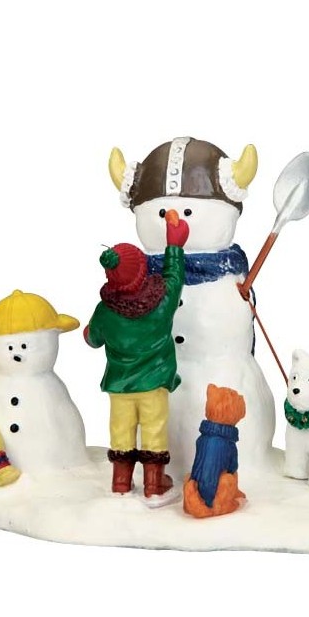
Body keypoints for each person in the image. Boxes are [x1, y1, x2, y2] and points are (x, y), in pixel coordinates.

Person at [85, 210, 189, 497]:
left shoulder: (104, 310)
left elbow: (92, 339)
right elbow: (175, 276)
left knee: (121, 430)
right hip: (154, 383)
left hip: (120, 385)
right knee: (154, 429)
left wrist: (90, 331)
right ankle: (154, 483)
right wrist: (174, 246)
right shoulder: (162, 299)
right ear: (143, 271)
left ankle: (120, 481)